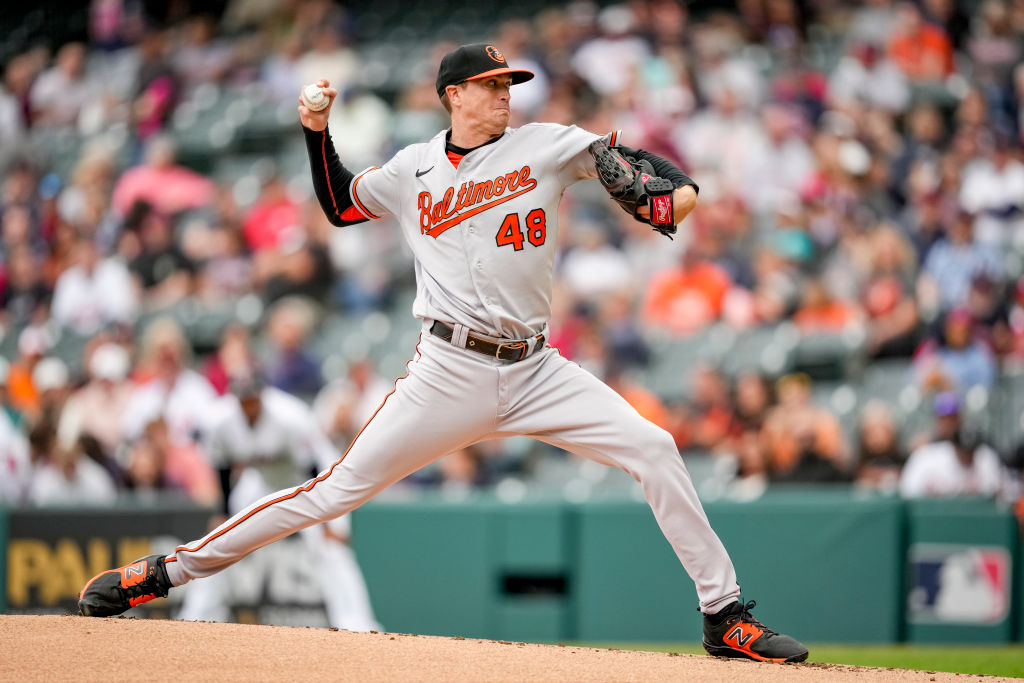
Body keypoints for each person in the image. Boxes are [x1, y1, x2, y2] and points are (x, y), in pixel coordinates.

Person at [79, 43, 807, 663]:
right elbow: (339, 202)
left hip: (535, 368)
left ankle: (724, 615)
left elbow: (628, 170)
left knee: (654, 447)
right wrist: (315, 130)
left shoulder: (548, 144)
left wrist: (658, 185)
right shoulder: (411, 168)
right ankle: (163, 571)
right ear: (454, 94)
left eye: (508, 85)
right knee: (331, 491)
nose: (505, 96)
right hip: (448, 368)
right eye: (491, 87)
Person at [174, 373, 380, 631]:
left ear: (263, 394)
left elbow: (312, 467)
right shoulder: (220, 419)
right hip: (261, 479)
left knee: (331, 549)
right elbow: (223, 467)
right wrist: (224, 512)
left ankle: (356, 623)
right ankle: (196, 615)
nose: (248, 403)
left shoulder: (289, 416)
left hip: (316, 479)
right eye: (243, 398)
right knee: (220, 539)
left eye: (253, 397)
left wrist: (327, 524)